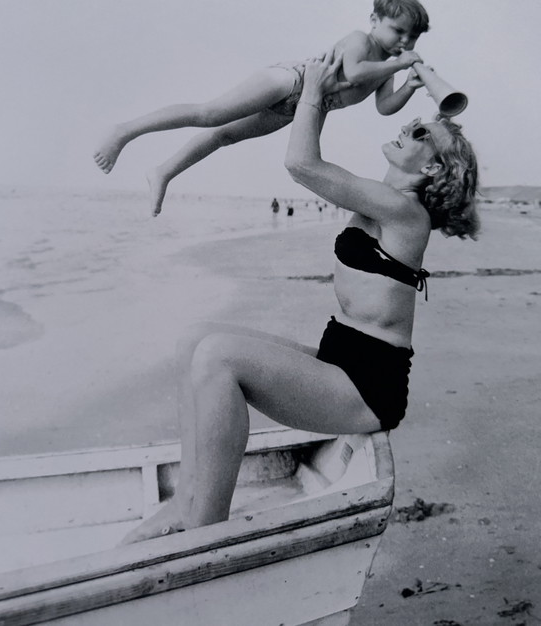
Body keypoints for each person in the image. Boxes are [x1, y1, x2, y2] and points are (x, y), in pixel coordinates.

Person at [120, 51, 479, 544]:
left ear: (434, 170)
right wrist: (322, 99)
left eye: (423, 135)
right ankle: (186, 499)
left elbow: (301, 164)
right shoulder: (380, 196)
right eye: (416, 123)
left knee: (220, 359)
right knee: (195, 340)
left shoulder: (404, 213)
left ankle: (206, 525)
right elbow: (309, 159)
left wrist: (311, 90)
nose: (411, 126)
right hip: (342, 358)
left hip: (367, 387)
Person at [94, 0, 430, 216]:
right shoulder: (361, 41)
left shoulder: (386, 68)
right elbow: (355, 72)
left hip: (303, 106)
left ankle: (164, 172)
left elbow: (384, 107)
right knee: (209, 114)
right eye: (398, 31)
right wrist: (400, 64)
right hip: (290, 80)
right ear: (374, 21)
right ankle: (124, 131)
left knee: (223, 136)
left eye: (412, 37)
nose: (405, 42)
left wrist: (410, 87)